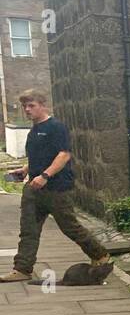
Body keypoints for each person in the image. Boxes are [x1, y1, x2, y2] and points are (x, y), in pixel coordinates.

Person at [0, 90, 111, 283]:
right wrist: (26, 169)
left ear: (43, 105)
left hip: (57, 189)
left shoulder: (56, 127)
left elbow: (64, 155)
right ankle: (22, 269)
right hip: (34, 189)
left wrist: (45, 175)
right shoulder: (34, 130)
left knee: (70, 227)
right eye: (25, 106)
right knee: (28, 231)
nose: (27, 110)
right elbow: (42, 156)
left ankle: (101, 256)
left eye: (31, 105)